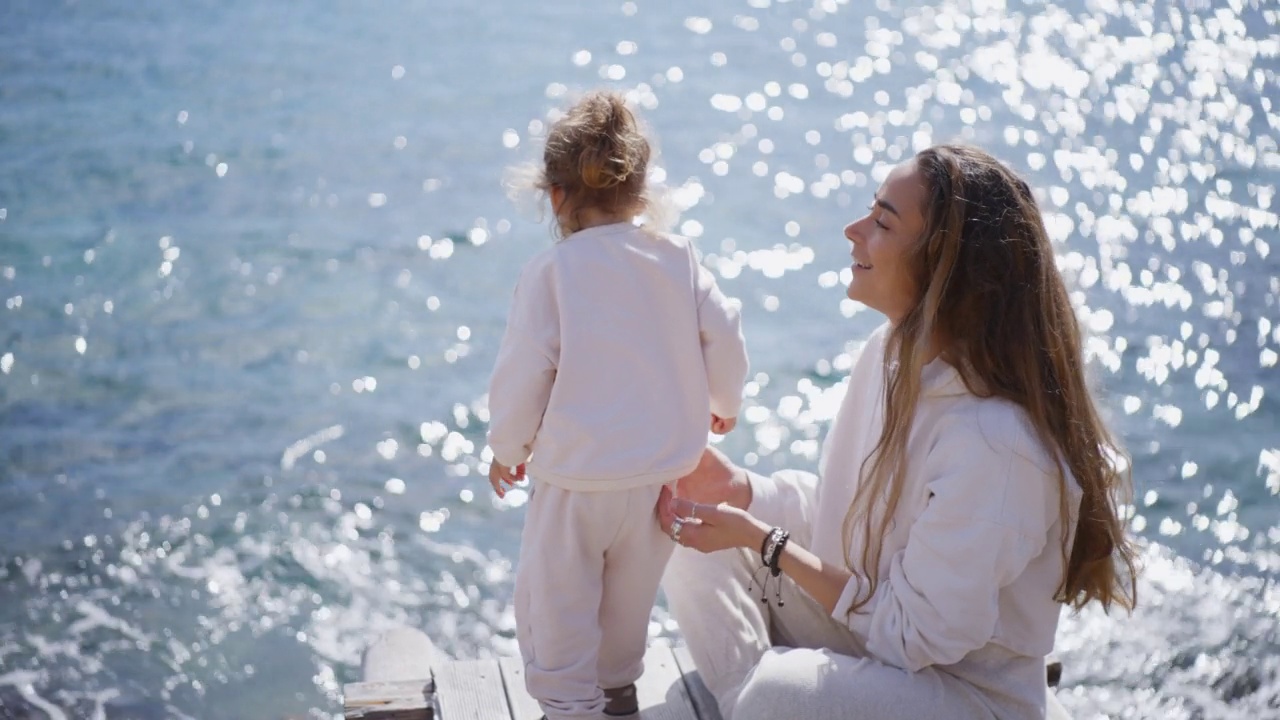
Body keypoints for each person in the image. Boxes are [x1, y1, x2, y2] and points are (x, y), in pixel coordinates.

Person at [656, 144, 1139, 720]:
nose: (853, 229)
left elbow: (911, 635)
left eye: (883, 221)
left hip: (962, 696)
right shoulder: (888, 357)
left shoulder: (998, 444)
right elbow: (851, 535)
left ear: (944, 266)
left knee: (777, 694)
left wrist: (764, 539)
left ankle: (759, 703)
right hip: (872, 642)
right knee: (692, 537)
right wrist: (742, 494)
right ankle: (753, 705)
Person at [485, 90, 750, 720]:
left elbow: (524, 374)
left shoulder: (551, 274)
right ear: (640, 190)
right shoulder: (677, 258)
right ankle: (618, 691)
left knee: (558, 605)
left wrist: (506, 449)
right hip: (659, 476)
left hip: (575, 482)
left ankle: (570, 707)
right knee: (628, 601)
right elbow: (725, 331)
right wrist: (723, 400)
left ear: (554, 196)